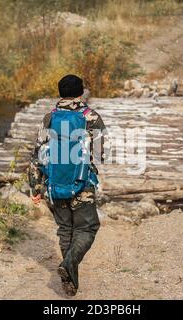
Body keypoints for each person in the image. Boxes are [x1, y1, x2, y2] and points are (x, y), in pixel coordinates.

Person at [28, 75, 106, 296]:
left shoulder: (49, 118)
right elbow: (100, 154)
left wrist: (35, 188)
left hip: (54, 185)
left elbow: (37, 156)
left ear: (60, 93)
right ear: (80, 93)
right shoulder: (91, 117)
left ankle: (69, 282)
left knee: (65, 231)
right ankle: (69, 263)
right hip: (82, 184)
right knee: (87, 228)